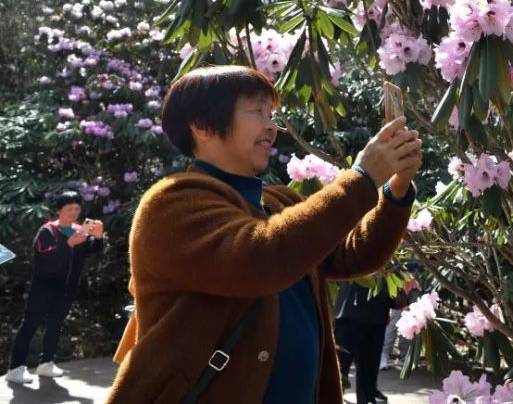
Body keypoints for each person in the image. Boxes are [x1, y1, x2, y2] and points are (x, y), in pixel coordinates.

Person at [106, 65, 421, 403]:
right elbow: (259, 258)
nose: (271, 127)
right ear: (201, 126)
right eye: (256, 111)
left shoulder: (277, 200)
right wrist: (360, 178)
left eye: (271, 114)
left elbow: (355, 254)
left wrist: (396, 190)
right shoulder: (171, 204)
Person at [5, 190, 106, 385]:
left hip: (67, 287)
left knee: (56, 324)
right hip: (43, 287)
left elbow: (91, 250)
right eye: (69, 209)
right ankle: (16, 368)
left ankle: (46, 363)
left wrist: (99, 237)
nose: (74, 213)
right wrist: (68, 244)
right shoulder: (47, 230)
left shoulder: (79, 230)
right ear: (59, 210)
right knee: (30, 324)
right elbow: (45, 256)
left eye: (77, 208)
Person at [334, 281, 390, 404]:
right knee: (340, 367)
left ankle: (368, 396)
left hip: (377, 312)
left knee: (369, 366)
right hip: (350, 311)